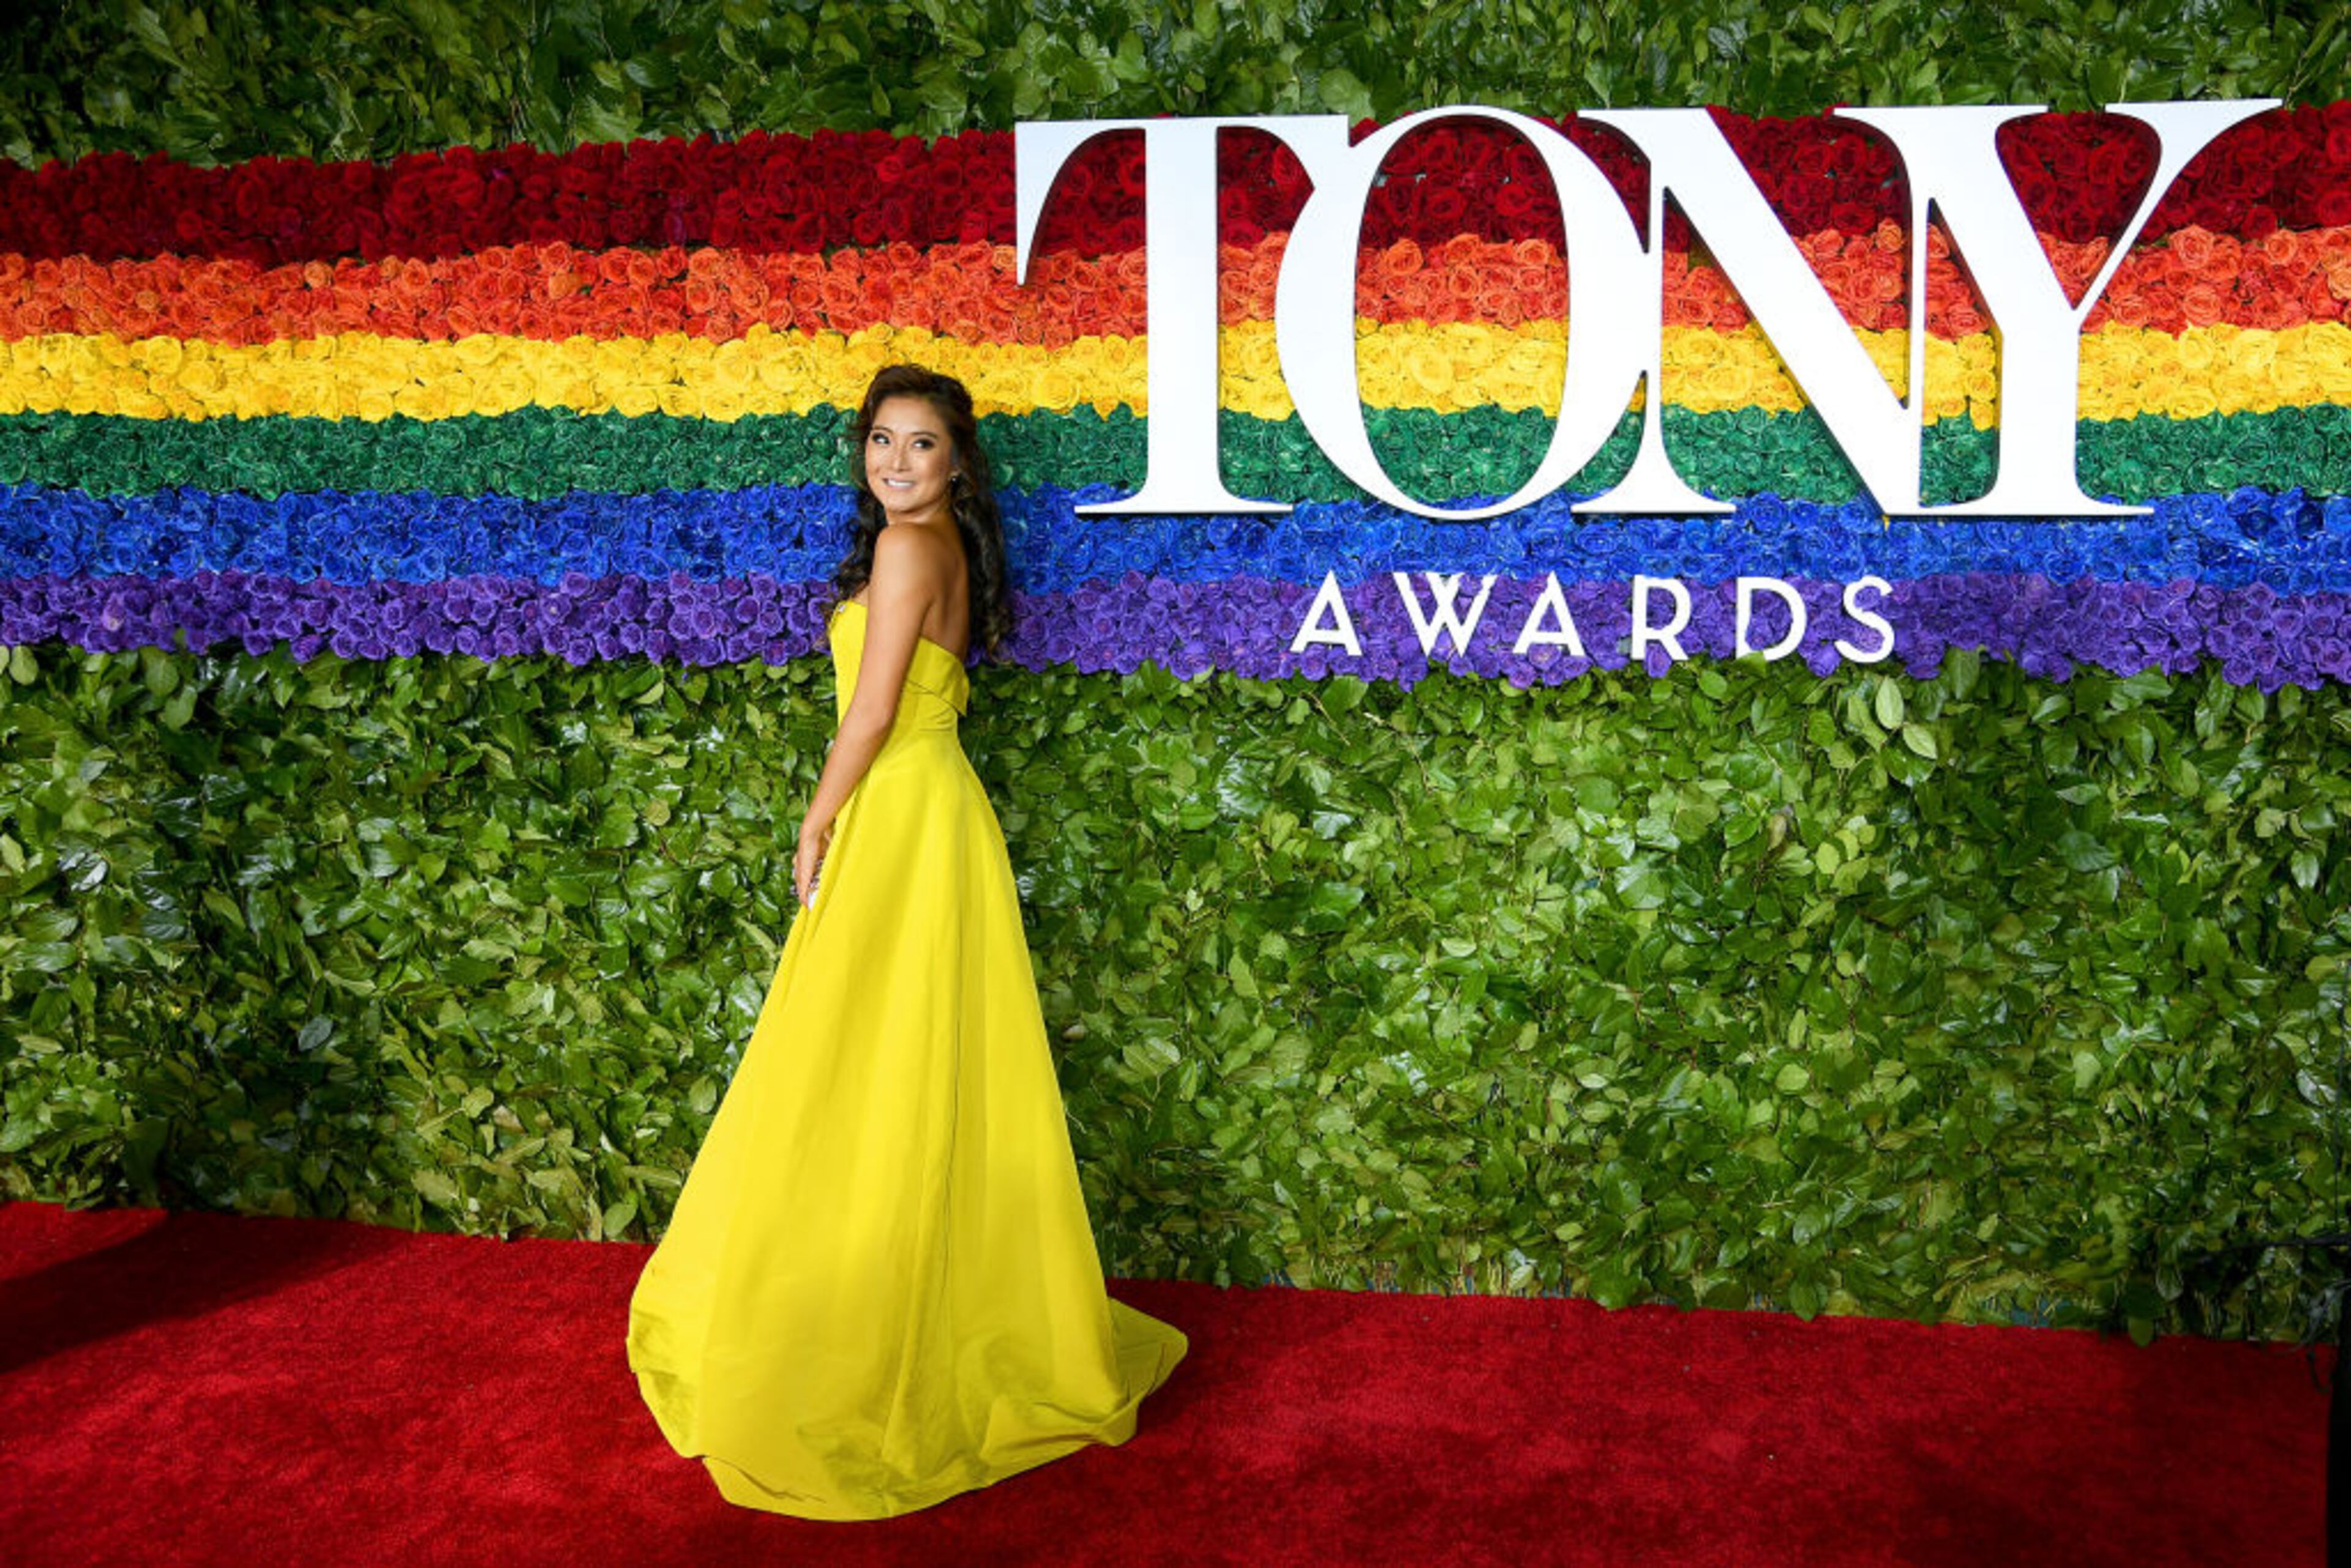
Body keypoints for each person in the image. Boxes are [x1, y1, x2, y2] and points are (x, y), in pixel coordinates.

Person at [625, 364, 1188, 1519]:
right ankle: (911, 1308)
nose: (895, 461)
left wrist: (815, 817)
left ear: (957, 463)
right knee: (911, 1059)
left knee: (852, 1055)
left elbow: (873, 711)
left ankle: (867, 1326)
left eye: (920, 444)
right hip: (934, 811)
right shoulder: (946, 553)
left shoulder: (904, 551)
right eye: (882, 440)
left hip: (898, 806)